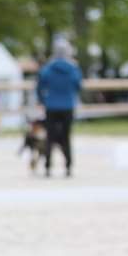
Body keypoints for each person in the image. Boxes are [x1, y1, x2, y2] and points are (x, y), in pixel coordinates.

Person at [36, 39, 83, 177]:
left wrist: (43, 100)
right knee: (66, 137)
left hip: (51, 105)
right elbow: (78, 86)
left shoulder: (48, 68)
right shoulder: (73, 68)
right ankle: (68, 167)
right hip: (68, 105)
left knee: (50, 138)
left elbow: (40, 86)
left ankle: (48, 167)